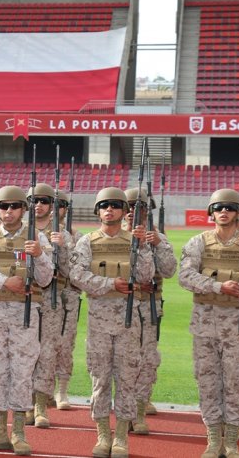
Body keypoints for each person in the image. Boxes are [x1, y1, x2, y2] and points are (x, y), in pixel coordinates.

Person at [178, 188, 239, 458]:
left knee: (235, 381)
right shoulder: (199, 243)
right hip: (205, 323)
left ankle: (231, 441)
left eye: (229, 208)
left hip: (238, 325)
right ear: (211, 212)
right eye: (218, 208)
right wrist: (218, 286)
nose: (223, 212)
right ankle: (213, 439)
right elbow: (184, 277)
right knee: (207, 380)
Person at [69, 187, 154, 458]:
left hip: (129, 321)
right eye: (104, 205)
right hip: (99, 321)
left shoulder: (135, 240)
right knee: (100, 379)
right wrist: (109, 283)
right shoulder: (88, 242)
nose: (109, 210)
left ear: (124, 211)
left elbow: (147, 274)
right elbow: (76, 274)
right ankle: (103, 434)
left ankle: (121, 438)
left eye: (115, 205)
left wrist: (140, 247)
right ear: (97, 211)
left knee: (127, 378)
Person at [0, 185, 53, 456]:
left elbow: (46, 278)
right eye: (3, 207)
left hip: (24, 313)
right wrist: (5, 281)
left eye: (14, 206)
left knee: (22, 370)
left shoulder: (37, 237)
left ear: (23, 209)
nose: (8, 211)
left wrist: (39, 255)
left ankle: (18, 432)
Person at [123, 187, 177, 435]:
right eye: (130, 206)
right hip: (119, 306)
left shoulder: (158, 237)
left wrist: (157, 243)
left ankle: (140, 408)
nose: (134, 211)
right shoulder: (111, 235)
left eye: (140, 206)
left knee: (147, 359)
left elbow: (168, 271)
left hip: (149, 305)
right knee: (121, 360)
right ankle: (124, 408)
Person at [25, 184, 71, 429]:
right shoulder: (20, 232)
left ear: (52, 206)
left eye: (43, 200)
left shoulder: (62, 234)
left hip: (52, 301)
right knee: (25, 353)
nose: (38, 205)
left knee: (46, 354)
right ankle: (25, 403)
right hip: (24, 300)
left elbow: (71, 271)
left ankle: (40, 405)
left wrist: (62, 246)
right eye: (33, 200)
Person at [53, 190, 84, 410]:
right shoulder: (30, 232)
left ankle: (61, 390)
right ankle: (41, 391)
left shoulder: (76, 236)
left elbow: (78, 270)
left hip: (67, 296)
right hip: (40, 296)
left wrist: (67, 244)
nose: (54, 209)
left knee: (65, 343)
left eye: (59, 205)